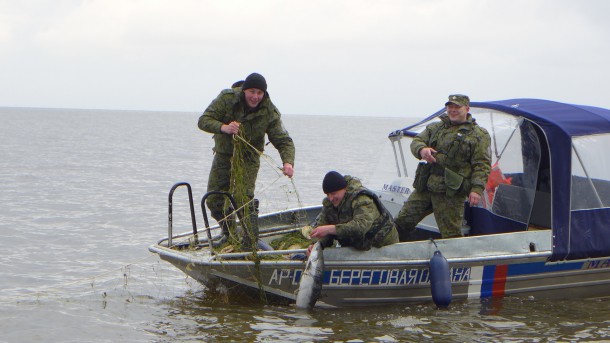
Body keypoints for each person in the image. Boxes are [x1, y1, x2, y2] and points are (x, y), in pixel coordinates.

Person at [198, 72, 295, 248]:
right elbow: (203, 120)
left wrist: (288, 162)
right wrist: (223, 127)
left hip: (249, 158)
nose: (255, 97)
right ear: (244, 91)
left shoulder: (269, 111)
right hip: (224, 155)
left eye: (260, 93)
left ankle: (249, 240)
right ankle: (228, 233)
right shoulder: (227, 98)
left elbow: (283, 140)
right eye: (252, 92)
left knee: (243, 197)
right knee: (214, 199)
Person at [394, 94, 491, 240]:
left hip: (450, 192)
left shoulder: (478, 135)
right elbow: (417, 141)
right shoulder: (436, 127)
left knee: (451, 235)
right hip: (426, 187)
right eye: (450, 107)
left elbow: (482, 164)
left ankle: (455, 262)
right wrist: (422, 149)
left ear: (467, 108)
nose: (452, 110)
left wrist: (477, 189)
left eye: (457, 107)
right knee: (401, 222)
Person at [307, 171, 399, 255]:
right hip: (357, 247)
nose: (331, 198)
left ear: (344, 189)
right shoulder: (329, 204)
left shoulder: (362, 199)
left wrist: (331, 229)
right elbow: (322, 228)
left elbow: (360, 226)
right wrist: (316, 245)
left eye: (334, 193)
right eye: (328, 194)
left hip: (383, 246)